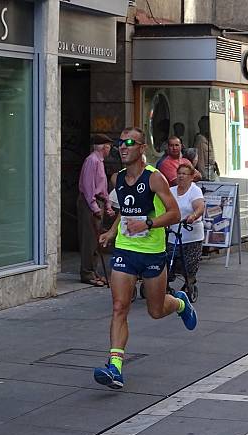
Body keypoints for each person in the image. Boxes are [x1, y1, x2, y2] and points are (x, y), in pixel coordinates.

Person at [94, 127, 198, 390]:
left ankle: (179, 304)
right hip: (126, 251)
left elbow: (174, 214)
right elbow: (125, 211)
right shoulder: (117, 178)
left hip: (152, 253)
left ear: (142, 148)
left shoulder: (155, 179)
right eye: (120, 143)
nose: (123, 147)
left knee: (155, 310)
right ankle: (115, 367)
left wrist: (149, 223)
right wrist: (111, 231)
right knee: (120, 307)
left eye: (130, 142)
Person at [77, 134, 116, 286]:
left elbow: (102, 187)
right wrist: (94, 207)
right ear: (104, 147)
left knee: (95, 239)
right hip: (90, 203)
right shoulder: (92, 161)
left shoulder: (99, 162)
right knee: (89, 239)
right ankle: (87, 273)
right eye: (109, 147)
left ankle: (93, 271)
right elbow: (88, 187)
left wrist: (107, 205)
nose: (110, 150)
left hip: (97, 201)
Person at [167, 163, 205, 288]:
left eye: (184, 174)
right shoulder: (171, 191)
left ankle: (189, 282)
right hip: (174, 233)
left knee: (189, 264)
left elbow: (200, 207)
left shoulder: (195, 190)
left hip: (191, 234)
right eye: (179, 173)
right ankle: (166, 282)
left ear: (191, 177)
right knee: (170, 260)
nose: (181, 176)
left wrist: (193, 216)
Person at [194, 116, 219, 181]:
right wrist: (203, 175)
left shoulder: (207, 138)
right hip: (206, 171)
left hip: (211, 169)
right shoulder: (200, 139)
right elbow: (200, 158)